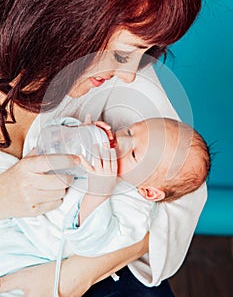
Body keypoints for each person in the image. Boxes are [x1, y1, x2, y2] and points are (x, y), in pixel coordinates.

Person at [0, 0, 205, 296]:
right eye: (124, 54)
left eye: (145, 51)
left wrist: (74, 277)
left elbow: (181, 194)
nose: (128, 76)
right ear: (66, 18)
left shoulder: (125, 77)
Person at [0, 116, 210, 295]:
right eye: (129, 131)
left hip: (34, 245)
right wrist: (76, 131)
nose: (121, 141)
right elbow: (50, 139)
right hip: (20, 204)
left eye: (135, 154)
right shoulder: (103, 154)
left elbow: (90, 244)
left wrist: (98, 192)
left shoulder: (135, 215)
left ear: (149, 191)